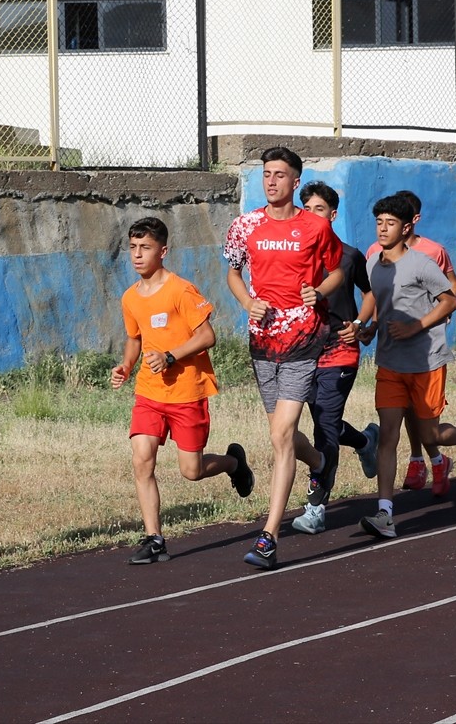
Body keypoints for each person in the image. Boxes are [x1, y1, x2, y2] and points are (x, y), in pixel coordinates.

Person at [224, 147, 344, 569]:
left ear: (296, 182)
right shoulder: (246, 225)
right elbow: (233, 272)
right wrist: (247, 303)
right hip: (263, 341)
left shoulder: (314, 225)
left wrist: (320, 292)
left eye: (280, 175)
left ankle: (269, 536)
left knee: (279, 437)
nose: (272, 181)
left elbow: (336, 271)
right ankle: (319, 460)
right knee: (285, 433)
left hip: (304, 340)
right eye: (267, 174)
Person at [111, 217, 254, 564]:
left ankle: (235, 463)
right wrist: (126, 367)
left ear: (163, 251)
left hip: (187, 392)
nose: (137, 255)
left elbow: (208, 337)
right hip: (149, 391)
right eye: (133, 248)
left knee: (192, 471)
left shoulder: (180, 290)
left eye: (145, 248)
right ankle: (154, 539)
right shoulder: (130, 297)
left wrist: (171, 355)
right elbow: (134, 338)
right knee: (141, 459)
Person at [357, 194, 456, 539]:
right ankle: (385, 513)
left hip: (426, 363)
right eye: (379, 222)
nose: (383, 229)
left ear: (407, 227)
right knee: (388, 437)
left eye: (391, 223)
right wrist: (369, 329)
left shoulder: (423, 263)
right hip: (390, 363)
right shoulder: (372, 264)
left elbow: (450, 301)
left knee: (429, 434)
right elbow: (382, 304)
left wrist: (416, 326)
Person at [288, 182, 380, 535]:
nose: (313, 215)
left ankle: (316, 508)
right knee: (323, 420)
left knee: (324, 427)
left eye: (320, 210)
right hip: (301, 351)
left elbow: (369, 294)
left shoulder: (349, 255)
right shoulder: (293, 255)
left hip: (339, 351)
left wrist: (359, 324)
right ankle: (364, 441)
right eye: (307, 209)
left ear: (333, 215)